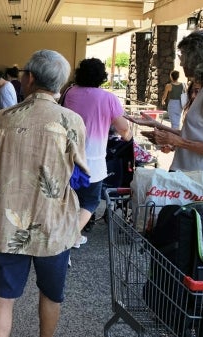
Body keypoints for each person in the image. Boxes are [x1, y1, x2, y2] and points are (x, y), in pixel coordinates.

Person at [0, 49, 87, 337]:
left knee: (3, 296)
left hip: (9, 223)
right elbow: (80, 168)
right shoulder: (72, 120)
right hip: (54, 223)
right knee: (51, 294)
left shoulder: (2, 118)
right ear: (60, 84)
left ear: (29, 78)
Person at [128, 28, 203, 202]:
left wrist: (177, 142)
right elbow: (198, 135)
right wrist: (157, 126)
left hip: (201, 179)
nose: (182, 64)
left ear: (199, 59)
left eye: (184, 58)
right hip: (190, 176)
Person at [61, 58, 132, 244]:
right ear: (102, 76)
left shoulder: (69, 93)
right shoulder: (108, 98)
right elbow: (123, 129)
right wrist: (129, 135)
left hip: (66, 157)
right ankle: (67, 238)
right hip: (93, 161)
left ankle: (73, 236)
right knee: (90, 202)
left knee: (68, 200)